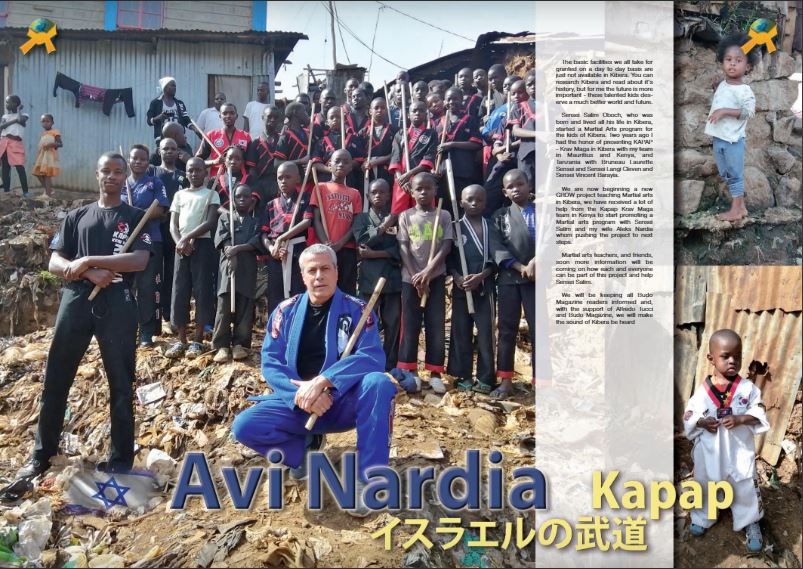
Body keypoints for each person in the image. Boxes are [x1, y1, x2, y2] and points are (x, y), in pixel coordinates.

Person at [14, 152, 151, 480]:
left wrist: (89, 259)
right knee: (57, 377)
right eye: (107, 171)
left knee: (120, 382)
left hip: (118, 302)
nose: (113, 177)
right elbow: (55, 263)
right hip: (76, 300)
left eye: (119, 172)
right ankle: (42, 456)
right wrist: (88, 272)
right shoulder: (77, 217)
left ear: (124, 177)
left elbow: (139, 260)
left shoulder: (136, 216)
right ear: (97, 174)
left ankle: (120, 461)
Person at [231, 243, 396, 516]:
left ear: (336, 272)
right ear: (303, 276)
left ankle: (370, 479)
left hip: (343, 403)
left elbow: (372, 357)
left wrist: (325, 381)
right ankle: (305, 449)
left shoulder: (358, 310)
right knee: (245, 426)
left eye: (325, 269)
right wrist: (300, 397)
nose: (319, 276)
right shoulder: (285, 311)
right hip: (301, 405)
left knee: (379, 383)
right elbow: (271, 363)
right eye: (312, 270)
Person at [683, 329, 769, 552]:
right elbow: (690, 415)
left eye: (738, 356)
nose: (733, 361)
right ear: (711, 358)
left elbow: (759, 412)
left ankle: (750, 521)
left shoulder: (748, 389)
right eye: (726, 356)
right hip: (710, 450)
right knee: (705, 482)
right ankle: (703, 517)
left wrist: (741, 418)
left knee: (744, 483)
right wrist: (702, 423)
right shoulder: (703, 392)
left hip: (739, 450)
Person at [396, 172, 452, 392]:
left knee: (435, 325)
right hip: (410, 280)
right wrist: (416, 276)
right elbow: (403, 247)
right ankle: (410, 370)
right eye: (418, 188)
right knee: (410, 326)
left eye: (428, 188)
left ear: (435, 190)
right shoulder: (406, 216)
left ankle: (435, 372)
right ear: (411, 191)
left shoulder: (444, 215)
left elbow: (446, 246)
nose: (423, 192)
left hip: (435, 278)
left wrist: (428, 272)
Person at [166, 157, 220, 359]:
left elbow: (211, 222)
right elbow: (173, 224)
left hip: (203, 246)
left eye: (199, 170)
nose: (195, 173)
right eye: (191, 170)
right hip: (181, 248)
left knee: (202, 291)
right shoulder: (179, 195)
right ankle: (181, 340)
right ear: (186, 173)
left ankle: (197, 340)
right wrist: (180, 242)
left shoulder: (211, 194)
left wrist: (188, 238)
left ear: (205, 173)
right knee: (180, 290)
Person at [447, 185, 498, 393]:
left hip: (484, 288)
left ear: (485, 203)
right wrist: (458, 278)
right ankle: (464, 376)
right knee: (460, 332)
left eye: (479, 200)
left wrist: (481, 276)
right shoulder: (455, 227)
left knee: (486, 333)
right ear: (461, 202)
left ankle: (486, 378)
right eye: (469, 199)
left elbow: (497, 259)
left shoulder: (491, 226)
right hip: (462, 289)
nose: (474, 203)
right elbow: (448, 258)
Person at [705, 33, 758, 222]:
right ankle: (741, 207)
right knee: (725, 173)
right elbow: (723, 95)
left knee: (734, 175)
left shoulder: (745, 91)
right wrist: (716, 89)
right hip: (719, 137)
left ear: (748, 66)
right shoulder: (723, 84)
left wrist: (725, 111)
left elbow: (749, 112)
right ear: (722, 62)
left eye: (738, 60)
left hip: (733, 140)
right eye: (728, 60)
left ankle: (736, 210)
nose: (732, 64)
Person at [492, 169, 535, 399]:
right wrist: (521, 267)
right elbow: (497, 247)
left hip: (536, 280)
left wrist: (536, 262)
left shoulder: (543, 213)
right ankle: (506, 380)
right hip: (510, 278)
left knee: (539, 330)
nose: (516, 189)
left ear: (529, 186)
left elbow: (552, 240)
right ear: (505, 192)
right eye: (511, 186)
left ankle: (541, 382)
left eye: (520, 184)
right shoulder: (500, 216)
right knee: (506, 330)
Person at [122, 145, 169, 348]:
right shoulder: (122, 183)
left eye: (143, 159)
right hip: (123, 240)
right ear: (129, 161)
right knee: (122, 287)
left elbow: (160, 209)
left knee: (147, 287)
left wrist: (137, 213)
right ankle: (125, 328)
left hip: (150, 239)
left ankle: (146, 333)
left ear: (148, 162)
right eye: (135, 158)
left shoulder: (154, 183)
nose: (138, 162)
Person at [352, 179, 401, 372]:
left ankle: (390, 364)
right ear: (368, 196)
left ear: (389, 195)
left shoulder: (397, 218)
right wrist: (382, 227)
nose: (378, 195)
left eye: (383, 192)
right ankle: (364, 360)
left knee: (393, 322)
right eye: (374, 192)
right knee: (366, 322)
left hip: (393, 277)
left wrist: (376, 254)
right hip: (369, 279)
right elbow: (363, 241)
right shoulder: (362, 219)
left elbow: (400, 248)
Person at [212, 184, 263, 362]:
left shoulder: (255, 223)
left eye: (246, 197)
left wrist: (237, 249)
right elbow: (222, 240)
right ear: (233, 200)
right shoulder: (225, 218)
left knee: (245, 306)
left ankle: (240, 344)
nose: (242, 199)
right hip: (227, 269)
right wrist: (230, 252)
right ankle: (222, 345)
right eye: (238, 196)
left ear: (252, 201)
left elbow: (256, 242)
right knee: (224, 305)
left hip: (247, 268)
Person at [305, 149, 361, 295]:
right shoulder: (320, 188)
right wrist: (326, 243)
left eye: (346, 162)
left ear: (350, 167)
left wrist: (340, 243)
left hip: (346, 249)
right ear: (329, 164)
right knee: (324, 289)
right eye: (337, 161)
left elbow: (355, 223)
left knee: (345, 290)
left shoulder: (355, 193)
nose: (341, 164)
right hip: (324, 249)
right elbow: (315, 219)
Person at [147, 138, 188, 328]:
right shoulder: (152, 171)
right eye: (166, 149)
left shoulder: (183, 175)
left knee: (173, 273)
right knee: (155, 272)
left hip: (177, 230)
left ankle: (170, 315)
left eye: (173, 148)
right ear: (159, 151)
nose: (170, 152)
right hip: (156, 229)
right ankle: (154, 318)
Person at [260, 162, 311, 315]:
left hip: (297, 253)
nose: (283, 181)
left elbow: (307, 221)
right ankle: (276, 334)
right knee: (275, 295)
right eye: (280, 178)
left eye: (288, 177)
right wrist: (271, 249)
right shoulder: (270, 204)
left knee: (297, 292)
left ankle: (296, 333)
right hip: (276, 254)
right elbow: (263, 233)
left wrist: (282, 237)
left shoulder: (305, 199)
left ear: (297, 179)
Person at [435, 87, 483, 212]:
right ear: (444, 101)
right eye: (448, 99)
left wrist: (452, 144)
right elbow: (433, 150)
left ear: (462, 100)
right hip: (442, 172)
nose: (452, 102)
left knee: (462, 204)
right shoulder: (438, 123)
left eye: (455, 98)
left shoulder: (470, 120)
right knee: (444, 206)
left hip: (463, 171)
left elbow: (476, 144)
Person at [388, 101, 438, 216]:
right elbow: (395, 158)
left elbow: (428, 159)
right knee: (398, 213)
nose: (417, 113)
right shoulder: (400, 134)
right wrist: (401, 178)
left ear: (426, 114)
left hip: (421, 180)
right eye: (414, 111)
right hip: (401, 180)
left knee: (423, 213)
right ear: (408, 115)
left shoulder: (431, 134)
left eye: (421, 111)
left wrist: (408, 175)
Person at [196, 102, 252, 181]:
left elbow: (250, 163)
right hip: (217, 181)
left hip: (240, 182)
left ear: (236, 116)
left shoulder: (246, 136)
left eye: (232, 113)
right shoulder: (211, 135)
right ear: (220, 116)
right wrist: (214, 162)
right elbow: (197, 161)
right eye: (225, 113)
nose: (228, 116)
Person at [311, 106, 364, 187]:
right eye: (332, 117)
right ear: (327, 122)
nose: (335, 119)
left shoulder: (353, 139)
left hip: (348, 181)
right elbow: (316, 163)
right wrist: (332, 169)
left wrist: (344, 168)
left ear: (344, 120)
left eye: (338, 117)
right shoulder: (322, 141)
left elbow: (359, 160)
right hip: (327, 181)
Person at [246, 105, 284, 203]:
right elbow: (252, 169)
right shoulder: (255, 143)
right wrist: (256, 187)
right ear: (263, 117)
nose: (272, 119)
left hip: (279, 183)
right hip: (261, 184)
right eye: (269, 116)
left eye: (275, 117)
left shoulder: (283, 140)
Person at [359, 98, 397, 188]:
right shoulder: (363, 132)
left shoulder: (394, 131)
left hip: (386, 171)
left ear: (387, 111)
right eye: (376, 108)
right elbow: (358, 155)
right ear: (370, 111)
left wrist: (377, 161)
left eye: (383, 108)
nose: (379, 110)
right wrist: (364, 163)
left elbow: (396, 153)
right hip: (367, 171)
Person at [507, 74, 537, 186]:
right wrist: (538, 134)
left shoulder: (553, 106)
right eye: (530, 84)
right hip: (527, 153)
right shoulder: (518, 107)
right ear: (526, 88)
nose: (533, 86)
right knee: (527, 187)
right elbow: (516, 130)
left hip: (549, 152)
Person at [0, 95, 29, 197]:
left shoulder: (24, 114)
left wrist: (19, 111)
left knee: (20, 167)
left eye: (9, 102)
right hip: (4, 142)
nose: (7, 104)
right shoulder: (5, 116)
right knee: (5, 168)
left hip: (16, 143)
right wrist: (14, 120)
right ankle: (6, 191)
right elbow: (2, 127)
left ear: (16, 104)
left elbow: (21, 120)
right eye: (6, 102)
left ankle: (26, 192)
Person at [274, 102, 311, 171]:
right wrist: (301, 161)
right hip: (292, 177)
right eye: (304, 111)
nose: (307, 115)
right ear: (295, 112)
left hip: (309, 177)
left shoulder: (309, 134)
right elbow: (277, 164)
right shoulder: (285, 137)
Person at [32, 113, 62, 197]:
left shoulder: (55, 132)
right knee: (36, 173)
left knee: (47, 174)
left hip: (50, 156)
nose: (45, 123)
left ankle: (48, 194)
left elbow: (60, 144)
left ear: (52, 122)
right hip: (42, 156)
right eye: (43, 121)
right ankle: (49, 190)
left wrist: (50, 145)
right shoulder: (43, 133)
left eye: (47, 121)